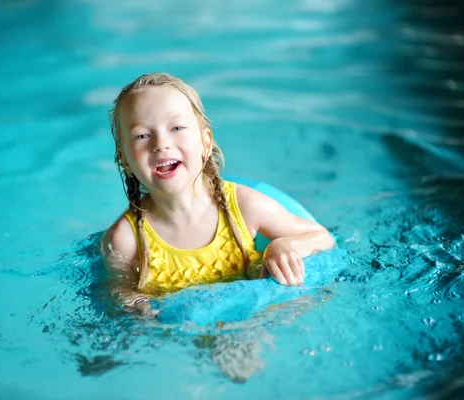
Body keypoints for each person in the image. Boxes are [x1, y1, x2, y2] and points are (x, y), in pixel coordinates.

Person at [101, 72, 336, 316]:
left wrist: (284, 244)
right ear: (124, 160)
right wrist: (136, 305)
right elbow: (117, 295)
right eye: (142, 135)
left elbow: (322, 237)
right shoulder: (125, 239)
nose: (160, 144)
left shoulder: (245, 207)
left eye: (177, 127)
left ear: (206, 142)